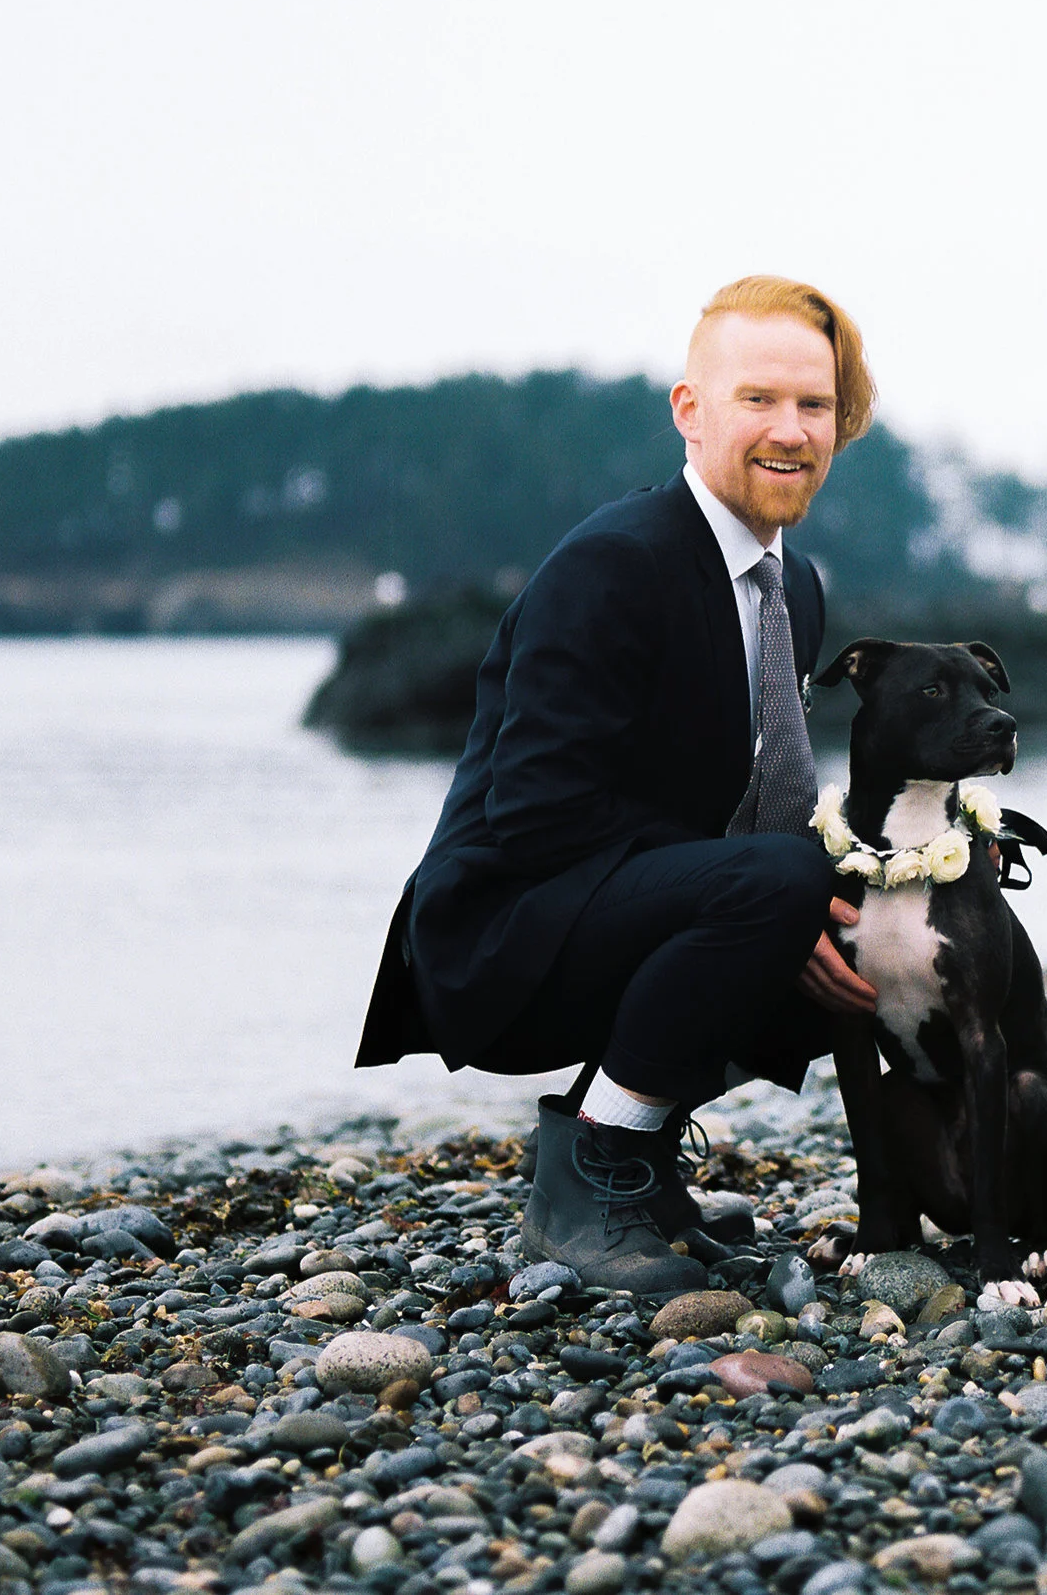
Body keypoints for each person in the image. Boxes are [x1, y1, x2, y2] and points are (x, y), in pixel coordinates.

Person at [355, 275, 882, 1293]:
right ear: (690, 412)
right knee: (783, 880)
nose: (790, 429)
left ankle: (642, 1167)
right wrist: (772, 891)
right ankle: (588, 1174)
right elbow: (536, 814)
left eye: (813, 404)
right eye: (757, 399)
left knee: (866, 907)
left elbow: (766, 792)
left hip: (636, 910)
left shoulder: (796, 587)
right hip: (502, 935)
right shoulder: (613, 565)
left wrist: (849, 883)